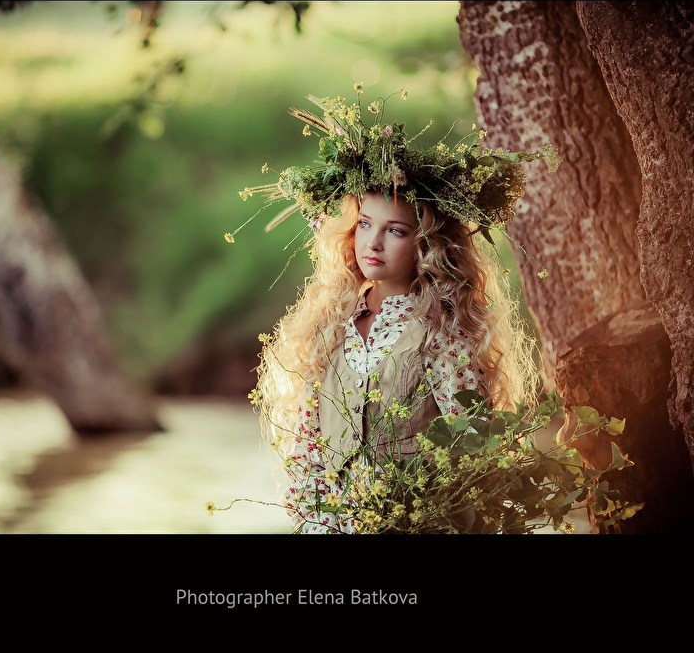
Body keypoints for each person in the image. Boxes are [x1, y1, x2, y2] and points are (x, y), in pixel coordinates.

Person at [229, 84, 560, 534]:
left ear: (428, 243)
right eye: (365, 224)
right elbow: (306, 451)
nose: (374, 242)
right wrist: (324, 521)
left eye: (396, 230)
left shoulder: (441, 333)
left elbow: (472, 450)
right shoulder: (326, 326)